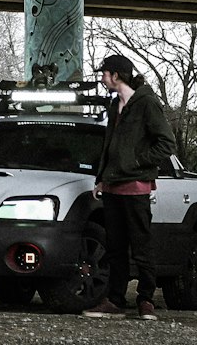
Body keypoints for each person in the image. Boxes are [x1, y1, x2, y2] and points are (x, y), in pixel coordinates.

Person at [82, 53, 176, 321]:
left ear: (117, 75)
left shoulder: (146, 103)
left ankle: (146, 300)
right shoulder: (115, 106)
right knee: (115, 247)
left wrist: (137, 162)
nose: (102, 78)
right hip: (112, 188)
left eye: (105, 73)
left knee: (141, 245)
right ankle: (115, 299)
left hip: (136, 187)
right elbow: (109, 145)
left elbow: (166, 143)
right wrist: (102, 178)